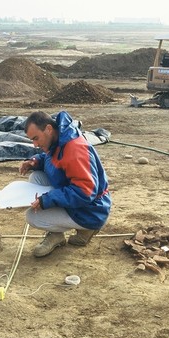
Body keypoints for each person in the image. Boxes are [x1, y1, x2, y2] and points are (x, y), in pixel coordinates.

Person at [19, 110, 112, 257]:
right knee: (36, 177)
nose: (35, 144)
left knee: (33, 217)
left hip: (91, 210)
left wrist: (48, 200)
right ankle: (57, 234)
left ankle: (86, 228)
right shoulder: (58, 138)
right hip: (78, 198)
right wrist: (35, 161)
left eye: (36, 138)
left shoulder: (75, 149)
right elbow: (51, 158)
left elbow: (85, 191)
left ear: (48, 129)